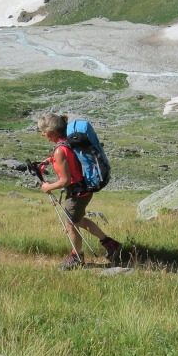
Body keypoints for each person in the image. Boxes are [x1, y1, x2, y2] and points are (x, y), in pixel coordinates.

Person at [37, 113, 122, 270]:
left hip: (77, 193)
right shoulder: (68, 142)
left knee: (71, 225)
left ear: (52, 132)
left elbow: (65, 180)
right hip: (84, 189)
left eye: (44, 131)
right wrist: (48, 160)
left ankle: (76, 258)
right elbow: (69, 158)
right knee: (79, 221)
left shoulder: (60, 150)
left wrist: (48, 187)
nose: (42, 134)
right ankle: (111, 244)